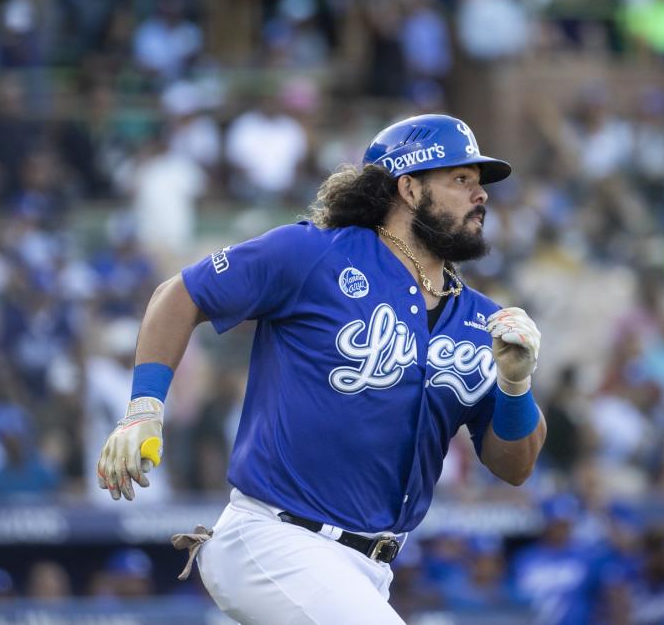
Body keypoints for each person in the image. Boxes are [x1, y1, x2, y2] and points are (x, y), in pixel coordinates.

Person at [96, 113, 547, 623]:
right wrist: (144, 407)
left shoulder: (483, 320)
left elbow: (516, 467)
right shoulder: (314, 253)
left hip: (370, 570)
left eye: (479, 182)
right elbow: (179, 296)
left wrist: (515, 384)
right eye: (460, 179)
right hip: (275, 537)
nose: (480, 194)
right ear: (409, 189)